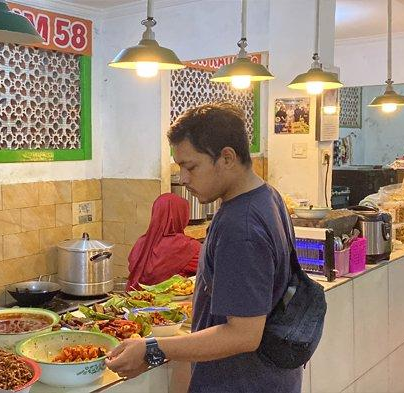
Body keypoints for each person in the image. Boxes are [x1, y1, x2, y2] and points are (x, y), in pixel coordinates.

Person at [105, 103, 302, 392]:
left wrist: (152, 349)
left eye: (190, 166)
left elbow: (244, 335)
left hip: (242, 382)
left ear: (226, 158)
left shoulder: (240, 225)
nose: (183, 179)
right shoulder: (267, 196)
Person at [126, 193, 200, 290]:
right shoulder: (189, 247)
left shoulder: (140, 243)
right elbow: (212, 268)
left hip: (136, 301)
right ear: (181, 216)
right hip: (173, 303)